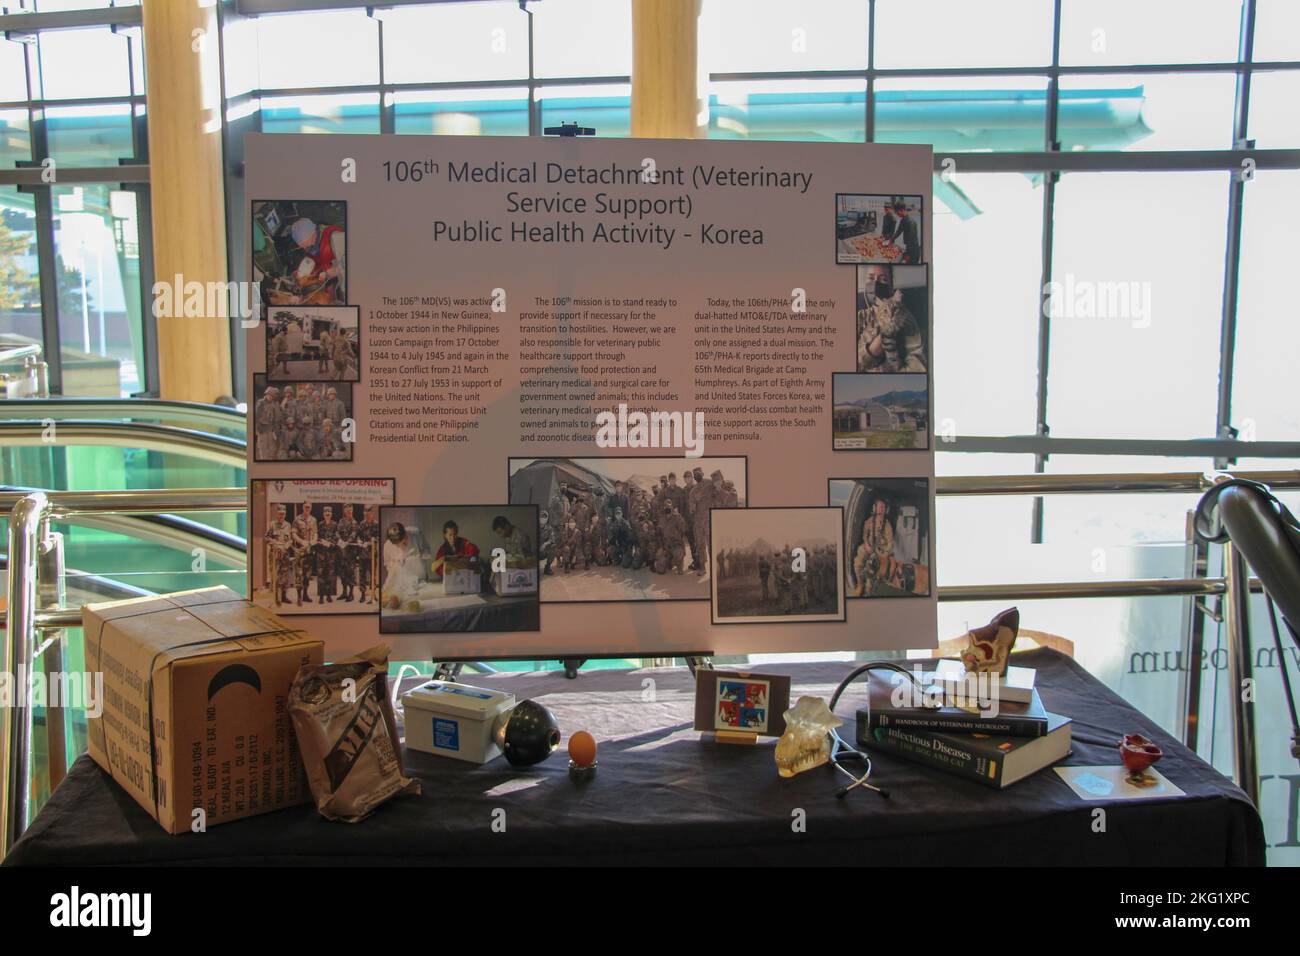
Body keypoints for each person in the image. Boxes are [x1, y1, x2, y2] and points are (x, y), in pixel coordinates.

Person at [290, 217, 346, 300]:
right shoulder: (311, 247)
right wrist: (305, 273)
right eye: (300, 244)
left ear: (313, 234)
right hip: (332, 281)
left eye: (303, 242)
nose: (302, 246)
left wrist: (337, 270)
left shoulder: (334, 236)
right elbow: (318, 263)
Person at [854, 499, 896, 597]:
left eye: (883, 507)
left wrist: (885, 553)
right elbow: (865, 536)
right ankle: (860, 584)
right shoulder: (869, 521)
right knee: (858, 561)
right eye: (880, 507)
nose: (882, 509)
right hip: (869, 547)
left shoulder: (887, 524)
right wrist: (866, 544)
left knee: (875, 571)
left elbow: (890, 542)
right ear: (875, 508)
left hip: (881, 550)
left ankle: (870, 588)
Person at [383, 522, 427, 607]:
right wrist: (395, 563)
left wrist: (420, 554)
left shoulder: (416, 533)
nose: (401, 546)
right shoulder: (387, 546)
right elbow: (388, 565)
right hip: (400, 581)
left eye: (403, 542)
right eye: (397, 545)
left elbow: (428, 552)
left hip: (418, 578)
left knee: (417, 604)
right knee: (393, 603)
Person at [264, 504, 294, 606]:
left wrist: (286, 546)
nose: (282, 515)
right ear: (277, 514)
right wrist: (276, 544)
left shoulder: (288, 525)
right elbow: (267, 538)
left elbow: (290, 539)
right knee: (276, 576)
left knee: (285, 575)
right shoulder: (272, 524)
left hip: (285, 553)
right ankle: (276, 597)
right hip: (275, 554)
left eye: (283, 513)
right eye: (280, 513)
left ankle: (284, 596)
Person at [291, 503, 318, 605]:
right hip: (300, 550)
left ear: (311, 508)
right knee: (299, 573)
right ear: (303, 507)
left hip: (309, 550)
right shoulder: (297, 519)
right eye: (306, 507)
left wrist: (313, 541)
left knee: (307, 574)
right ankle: (299, 597)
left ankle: (305, 595)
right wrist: (302, 542)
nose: (307, 508)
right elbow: (293, 534)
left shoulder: (313, 520)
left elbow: (315, 533)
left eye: (309, 507)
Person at [880, 197, 920, 265]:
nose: (896, 214)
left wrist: (907, 255)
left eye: (896, 212)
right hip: (909, 247)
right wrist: (891, 240)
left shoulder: (911, 222)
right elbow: (898, 231)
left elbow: (911, 241)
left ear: (901, 210)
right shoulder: (903, 220)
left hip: (913, 251)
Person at [315, 506, 339, 604]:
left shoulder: (335, 524)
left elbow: (337, 537)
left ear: (331, 513)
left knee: (330, 575)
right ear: (323, 514)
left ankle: (329, 595)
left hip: (331, 554)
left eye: (329, 512)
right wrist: (321, 541)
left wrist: (331, 543)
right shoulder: (320, 524)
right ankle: (321, 596)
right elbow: (317, 537)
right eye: (326, 512)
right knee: (321, 575)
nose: (327, 513)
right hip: (321, 554)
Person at [336, 504, 359, 602]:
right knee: (343, 572)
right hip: (342, 551)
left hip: (350, 552)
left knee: (350, 573)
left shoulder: (354, 522)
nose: (349, 512)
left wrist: (347, 542)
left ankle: (351, 593)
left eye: (350, 510)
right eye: (347, 510)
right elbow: (337, 532)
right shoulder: (341, 521)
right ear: (344, 511)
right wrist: (339, 540)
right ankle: (344, 592)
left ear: (352, 510)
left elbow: (354, 534)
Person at [254, 385, 282, 460]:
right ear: (267, 394)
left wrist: (274, 431)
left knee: (271, 448)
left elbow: (273, 419)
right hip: (262, 429)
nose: (271, 397)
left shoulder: (272, 404)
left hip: (269, 429)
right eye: (270, 396)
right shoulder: (261, 403)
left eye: (272, 396)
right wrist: (257, 429)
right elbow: (256, 416)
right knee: (263, 448)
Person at [538, 510, 556, 575]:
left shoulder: (549, 528)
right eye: (541, 517)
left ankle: (547, 568)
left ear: (547, 518)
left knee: (553, 547)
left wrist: (545, 544)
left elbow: (552, 539)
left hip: (543, 550)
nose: (542, 519)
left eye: (544, 517)